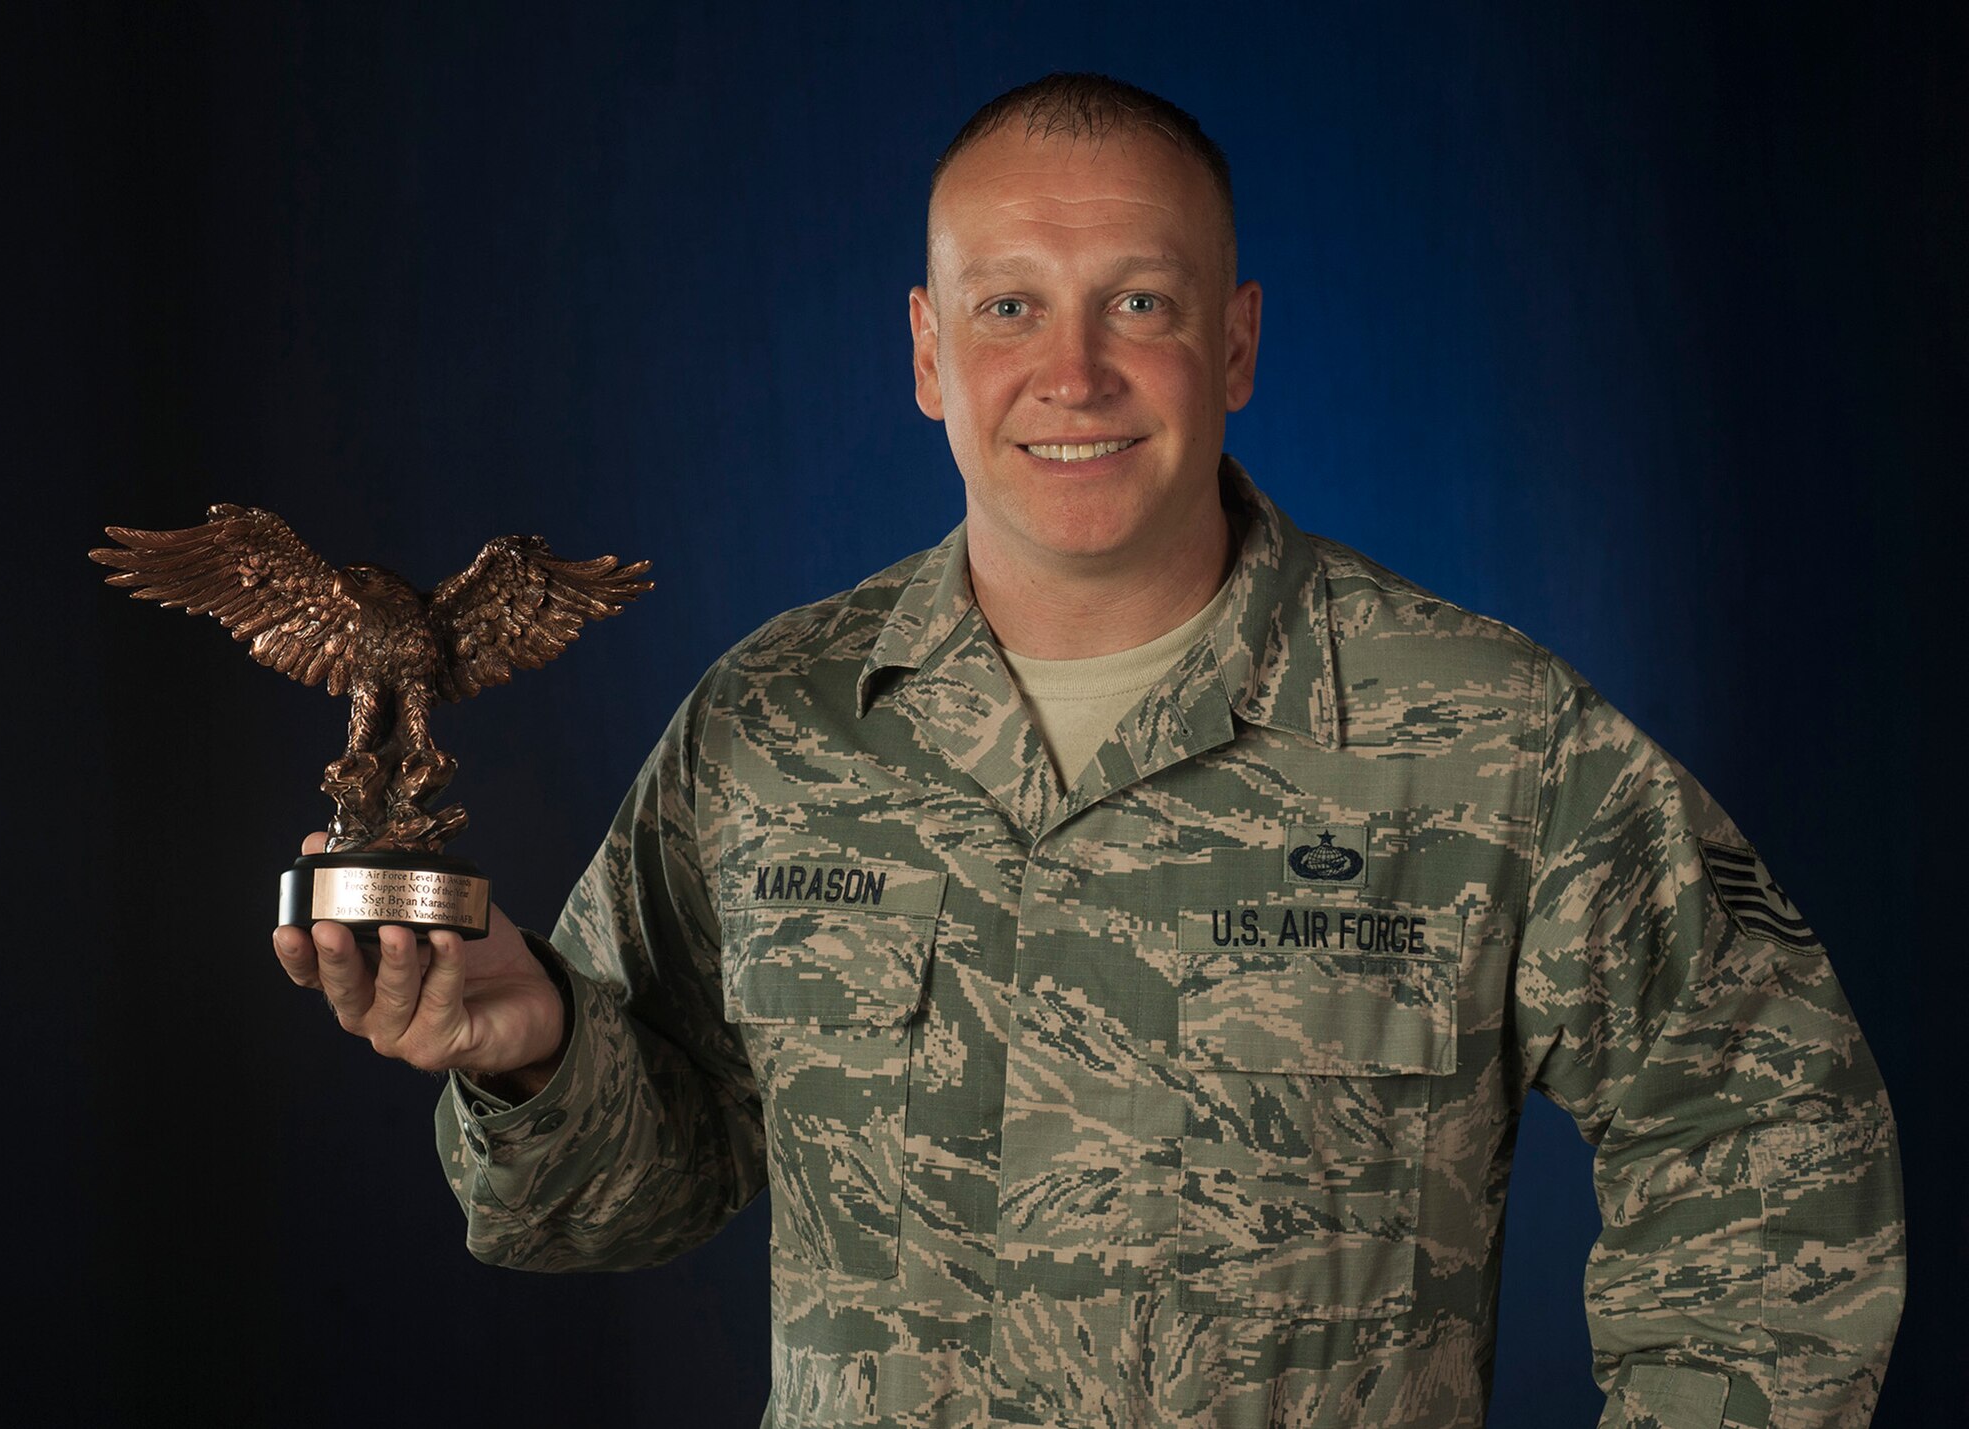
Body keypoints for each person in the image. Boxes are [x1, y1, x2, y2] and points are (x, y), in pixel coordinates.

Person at [273, 74, 1904, 1428]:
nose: (1074, 373)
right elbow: (641, 1186)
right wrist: (536, 1045)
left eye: (1141, 300)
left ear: (1239, 342)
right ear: (927, 353)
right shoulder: (770, 729)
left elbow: (1764, 1131)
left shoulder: (1485, 736)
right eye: (1009, 308)